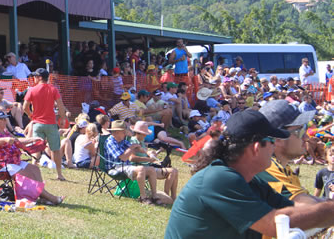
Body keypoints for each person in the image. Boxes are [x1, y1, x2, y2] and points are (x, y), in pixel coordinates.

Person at [166, 110, 334, 238]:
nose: (274, 147)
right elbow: (274, 223)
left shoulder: (250, 181)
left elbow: (294, 209)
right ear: (255, 147)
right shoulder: (219, 178)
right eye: (270, 142)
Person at [0, 110, 64, 205]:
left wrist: (32, 139)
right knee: (28, 176)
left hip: (11, 161)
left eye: (5, 119)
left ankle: (43, 196)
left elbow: (17, 140)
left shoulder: (5, 131)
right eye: (2, 119)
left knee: (35, 169)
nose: (5, 121)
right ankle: (50, 197)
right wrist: (4, 140)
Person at [257, 100, 323, 205]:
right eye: (300, 131)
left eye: (305, 128)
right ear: (278, 139)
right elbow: (307, 207)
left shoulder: (283, 168)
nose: (306, 137)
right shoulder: (266, 169)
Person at [23, 68, 68, 181]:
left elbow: (24, 107)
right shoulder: (53, 89)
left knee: (37, 149)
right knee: (55, 149)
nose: (33, 78)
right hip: (51, 124)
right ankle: (59, 174)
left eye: (35, 76)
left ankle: (33, 173)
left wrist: (31, 115)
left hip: (37, 123)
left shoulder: (32, 90)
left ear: (39, 77)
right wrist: (62, 118)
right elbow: (60, 105)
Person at [103, 120, 161, 205]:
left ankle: (154, 196)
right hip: (115, 167)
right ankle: (143, 197)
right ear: (116, 132)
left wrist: (147, 153)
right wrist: (131, 148)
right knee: (141, 169)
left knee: (151, 169)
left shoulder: (122, 140)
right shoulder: (110, 142)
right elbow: (123, 157)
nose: (125, 134)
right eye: (123, 132)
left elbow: (137, 147)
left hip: (125, 166)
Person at [129, 121, 178, 203]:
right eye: (144, 133)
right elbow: (132, 158)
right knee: (172, 171)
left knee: (174, 171)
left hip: (148, 166)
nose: (146, 135)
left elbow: (146, 156)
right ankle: (166, 196)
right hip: (141, 168)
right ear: (139, 133)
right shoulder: (133, 142)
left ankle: (173, 197)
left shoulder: (141, 141)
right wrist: (149, 159)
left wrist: (156, 153)